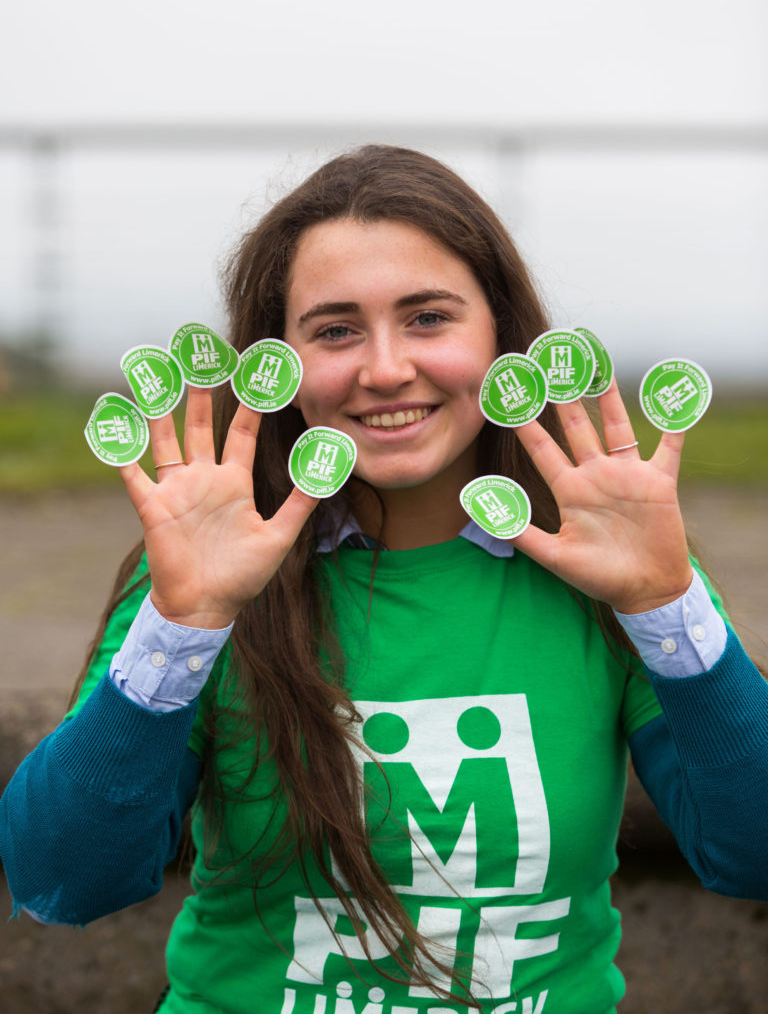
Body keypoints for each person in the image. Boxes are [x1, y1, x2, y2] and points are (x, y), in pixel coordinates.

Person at [2, 144, 767, 1014]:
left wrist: (668, 607)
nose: (385, 368)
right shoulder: (201, 577)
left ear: (502, 339)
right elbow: (61, 879)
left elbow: (753, 854)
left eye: (429, 318)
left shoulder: (617, 573)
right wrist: (184, 621)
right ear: (274, 365)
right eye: (334, 330)